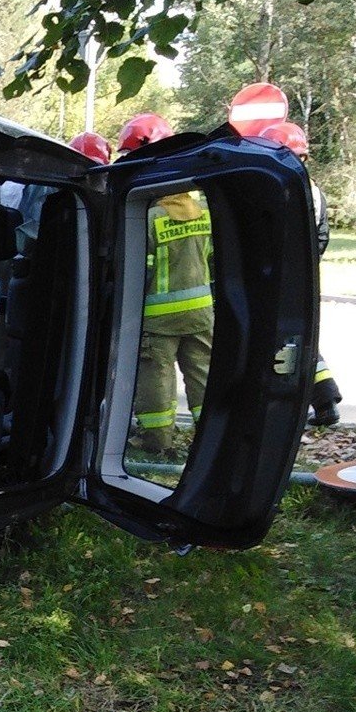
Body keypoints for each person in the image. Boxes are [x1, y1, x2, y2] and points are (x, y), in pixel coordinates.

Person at [117, 113, 215, 457]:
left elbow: (138, 272)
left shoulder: (148, 214)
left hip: (158, 318)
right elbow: (213, 260)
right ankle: (209, 438)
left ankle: (156, 443)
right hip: (201, 313)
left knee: (156, 379)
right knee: (202, 375)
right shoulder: (204, 209)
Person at [254, 118, 342, 426]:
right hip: (302, 276)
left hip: (279, 277)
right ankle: (326, 399)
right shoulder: (314, 190)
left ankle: (278, 412)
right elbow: (321, 237)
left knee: (273, 339)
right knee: (301, 339)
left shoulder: (279, 189)